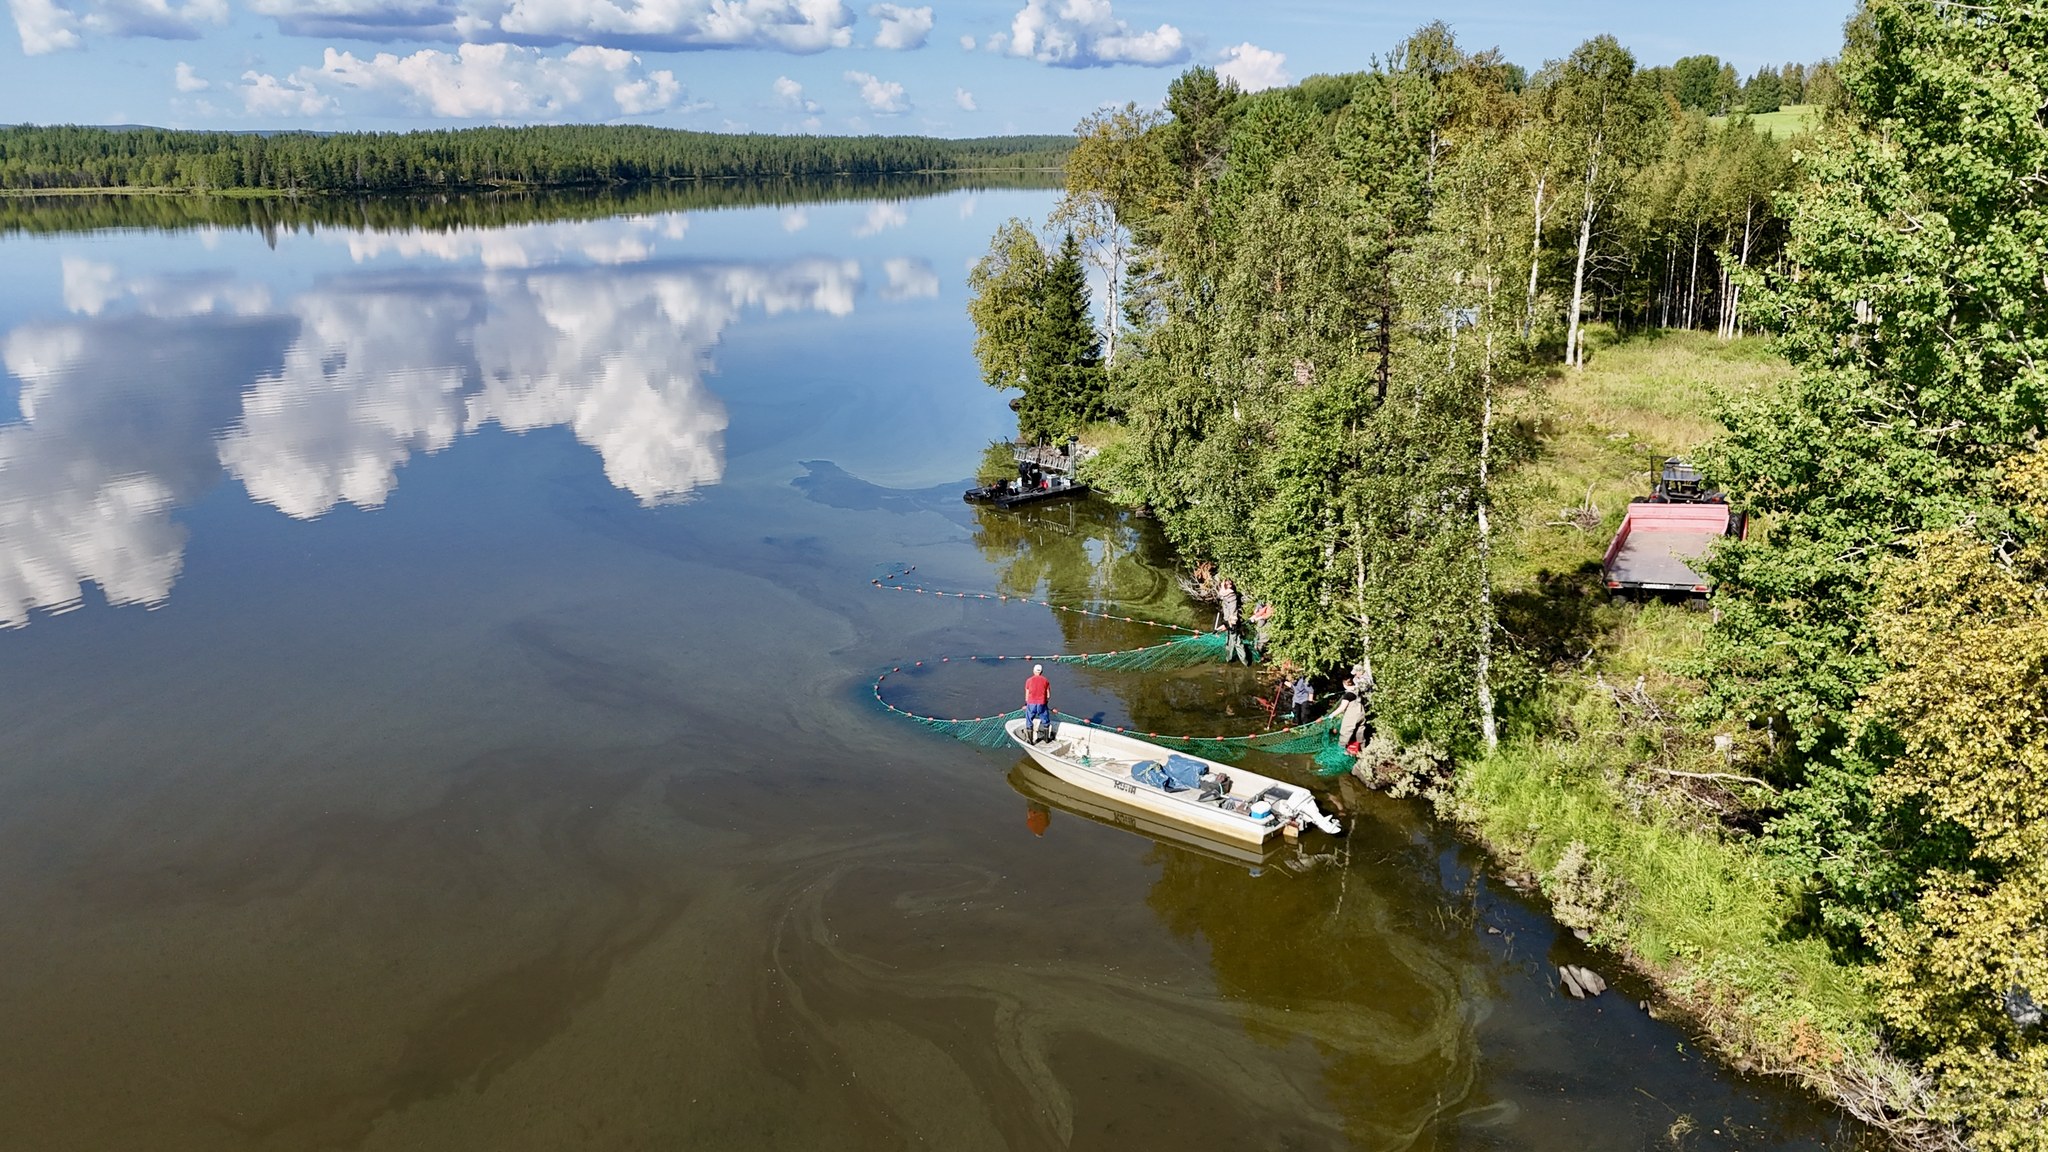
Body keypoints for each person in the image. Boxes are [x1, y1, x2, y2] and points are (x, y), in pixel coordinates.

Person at [1216, 578, 1248, 664]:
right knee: (1237, 642)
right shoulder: (1226, 595)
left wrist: (1227, 625)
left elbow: (1233, 614)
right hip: (1229, 622)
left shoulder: (1231, 597)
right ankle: (1244, 661)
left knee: (1232, 643)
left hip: (1232, 624)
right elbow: (1221, 594)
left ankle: (1231, 660)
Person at [1023, 662, 1053, 743]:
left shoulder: (1029, 680)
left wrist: (1026, 703)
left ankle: (1030, 740)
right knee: (1045, 719)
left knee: (1029, 720)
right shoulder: (1045, 680)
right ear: (1041, 672)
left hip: (1031, 703)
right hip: (1042, 703)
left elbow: (1027, 694)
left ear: (1033, 671)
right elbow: (1048, 695)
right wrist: (1045, 701)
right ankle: (1046, 739)